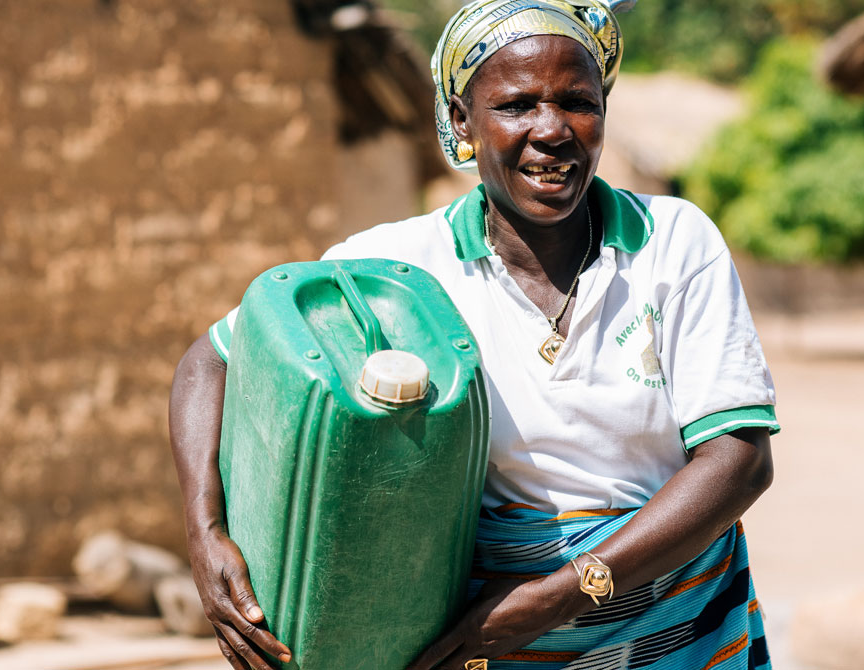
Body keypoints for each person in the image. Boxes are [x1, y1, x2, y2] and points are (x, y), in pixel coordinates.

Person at [168, 1, 780, 668]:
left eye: (578, 101)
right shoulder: (397, 269)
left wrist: (562, 595)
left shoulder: (673, 242)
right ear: (463, 120)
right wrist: (206, 534)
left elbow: (738, 460)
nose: (552, 131)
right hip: (485, 643)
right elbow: (213, 362)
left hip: (678, 632)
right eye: (517, 105)